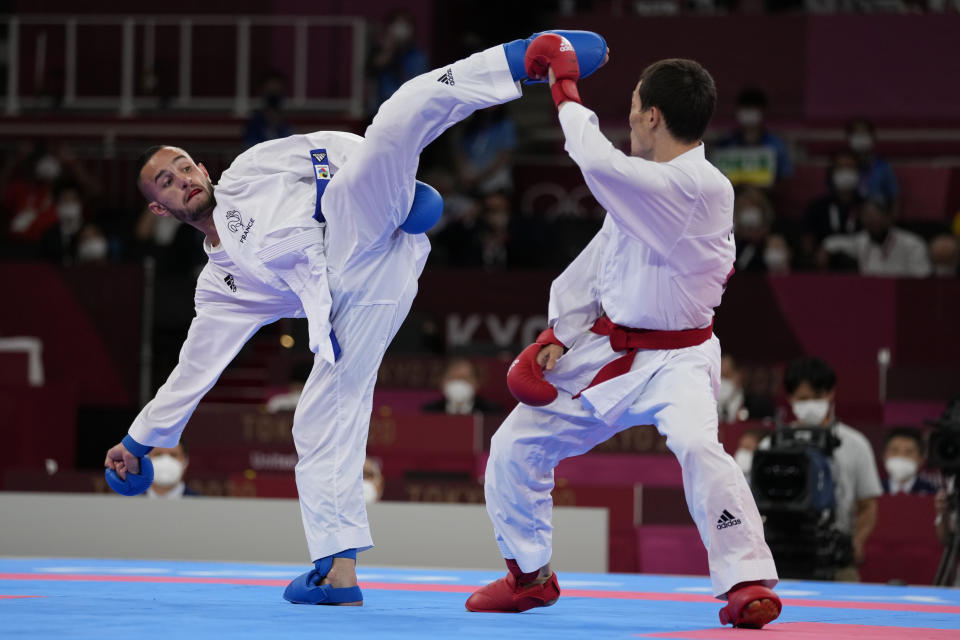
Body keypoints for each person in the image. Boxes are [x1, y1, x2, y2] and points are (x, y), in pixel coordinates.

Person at [102, 29, 610, 607]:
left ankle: (523, 59)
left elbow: (331, 148)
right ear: (157, 207)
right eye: (167, 181)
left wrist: (388, 186)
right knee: (316, 421)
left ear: (203, 168)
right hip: (352, 301)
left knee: (395, 119)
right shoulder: (221, 288)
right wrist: (137, 441)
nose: (184, 179)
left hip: (351, 218)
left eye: (185, 166)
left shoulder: (248, 174)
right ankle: (336, 573)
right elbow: (193, 369)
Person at [467, 40, 781, 629]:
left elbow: (598, 163)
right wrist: (556, 333)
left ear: (652, 117)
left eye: (635, 105)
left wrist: (564, 88)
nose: (629, 116)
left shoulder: (703, 189)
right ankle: (530, 576)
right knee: (513, 446)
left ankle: (744, 580)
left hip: (680, 359)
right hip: (610, 349)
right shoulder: (645, 188)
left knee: (696, 445)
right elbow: (601, 262)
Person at [779, 356, 882, 581]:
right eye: (803, 398)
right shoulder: (772, 445)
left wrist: (856, 542)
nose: (811, 404)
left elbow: (868, 506)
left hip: (837, 560)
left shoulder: (855, 444)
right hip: (782, 557)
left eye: (818, 397)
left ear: (831, 393)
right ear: (790, 398)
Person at [822, 197, 931, 277]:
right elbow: (835, 242)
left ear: (888, 217)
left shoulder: (912, 244)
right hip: (870, 295)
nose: (872, 221)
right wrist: (825, 249)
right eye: (867, 217)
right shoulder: (862, 240)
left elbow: (921, 278)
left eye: (876, 216)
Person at [716, 87, 792, 187]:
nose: (748, 113)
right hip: (732, 197)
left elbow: (785, 177)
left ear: (763, 112)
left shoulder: (776, 145)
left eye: (752, 108)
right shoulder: (725, 144)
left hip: (765, 197)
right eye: (745, 108)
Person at [846, 118, 899, 214]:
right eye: (857, 133)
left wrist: (889, 223)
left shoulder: (882, 166)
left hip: (877, 220)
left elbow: (894, 198)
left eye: (864, 133)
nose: (860, 137)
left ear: (872, 136)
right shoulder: (843, 166)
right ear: (849, 137)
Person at [421, 358, 504, 415]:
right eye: (453, 378)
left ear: (476, 383)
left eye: (465, 379)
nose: (459, 384)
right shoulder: (430, 412)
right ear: (442, 382)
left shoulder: (492, 412)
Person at [881, 426, 937, 496]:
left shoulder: (932, 494)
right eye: (894, 451)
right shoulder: (874, 493)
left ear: (921, 459)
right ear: (884, 456)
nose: (901, 456)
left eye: (909, 452)